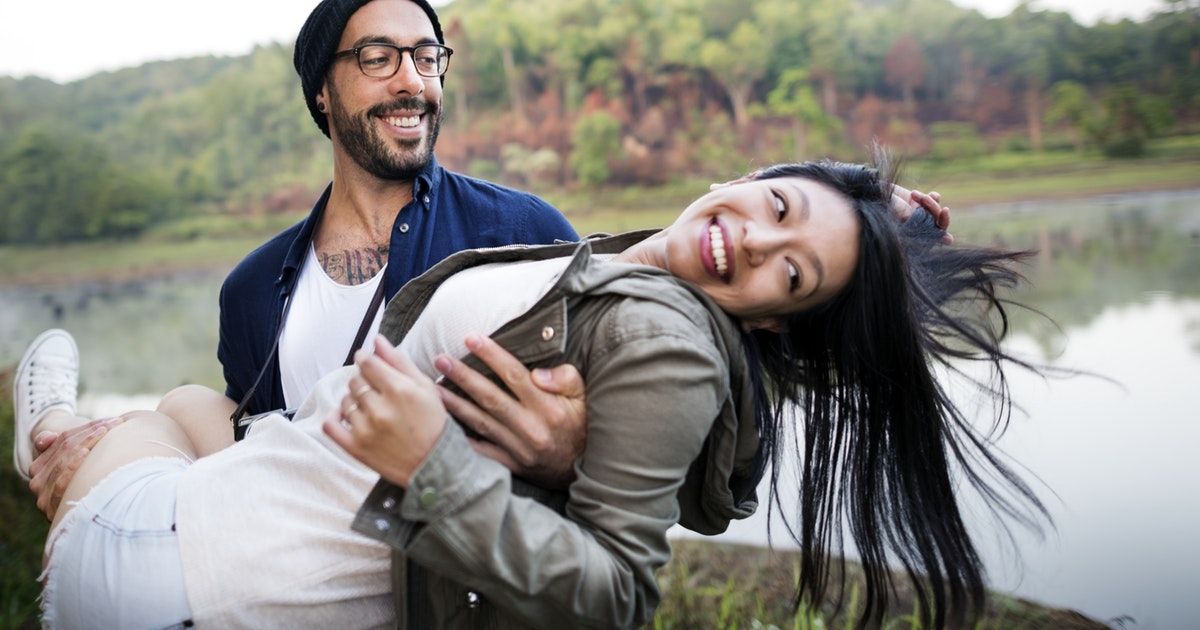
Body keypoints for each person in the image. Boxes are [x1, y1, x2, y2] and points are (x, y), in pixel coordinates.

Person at [14, 156, 1030, 629]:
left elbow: (621, 595)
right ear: (757, 170)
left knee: (113, 432)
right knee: (198, 407)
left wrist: (434, 465)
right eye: (775, 201)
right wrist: (883, 209)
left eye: (790, 272)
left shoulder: (662, 333)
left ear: (773, 322)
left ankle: (53, 430)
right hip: (220, 532)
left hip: (168, 577)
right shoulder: (650, 280)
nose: (752, 237)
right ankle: (105, 439)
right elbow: (674, 433)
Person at [24, 0, 593, 515]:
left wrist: (568, 452)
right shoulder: (251, 289)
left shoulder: (521, 232)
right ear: (322, 89)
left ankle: (51, 424)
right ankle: (60, 431)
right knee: (181, 411)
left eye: (426, 57)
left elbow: (623, 420)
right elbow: (245, 453)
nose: (411, 81)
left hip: (452, 580)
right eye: (378, 58)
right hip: (294, 561)